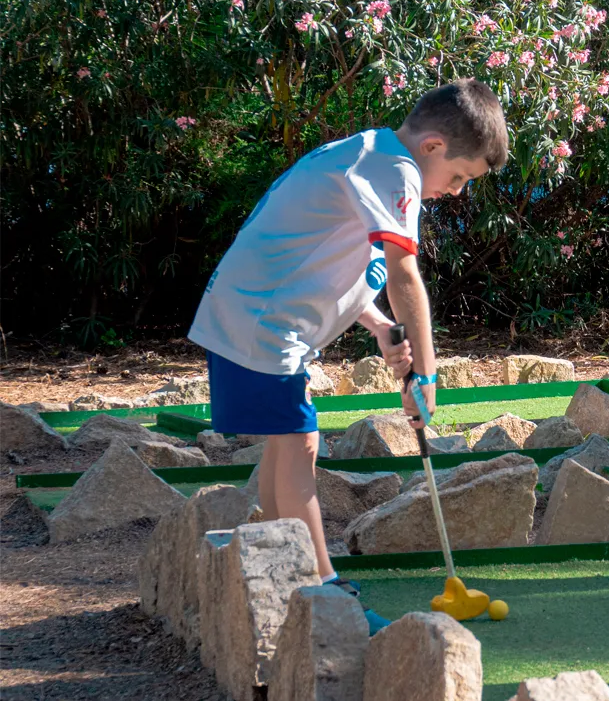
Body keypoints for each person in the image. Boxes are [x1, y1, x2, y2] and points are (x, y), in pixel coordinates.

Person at [188, 78, 508, 630]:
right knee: (299, 442)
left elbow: (325, 257)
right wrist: (426, 377)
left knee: (285, 443)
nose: (456, 191)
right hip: (261, 325)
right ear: (433, 146)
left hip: (253, 317)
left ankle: (277, 560)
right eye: (459, 176)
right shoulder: (395, 169)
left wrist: (383, 327)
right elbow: (405, 275)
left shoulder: (370, 153)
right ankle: (324, 587)